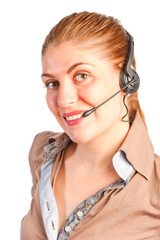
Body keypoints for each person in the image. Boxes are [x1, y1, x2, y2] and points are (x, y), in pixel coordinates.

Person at [20, 11, 160, 240]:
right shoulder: (42, 152)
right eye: (52, 83)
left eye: (82, 75)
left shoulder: (155, 188)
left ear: (127, 79)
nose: (63, 100)